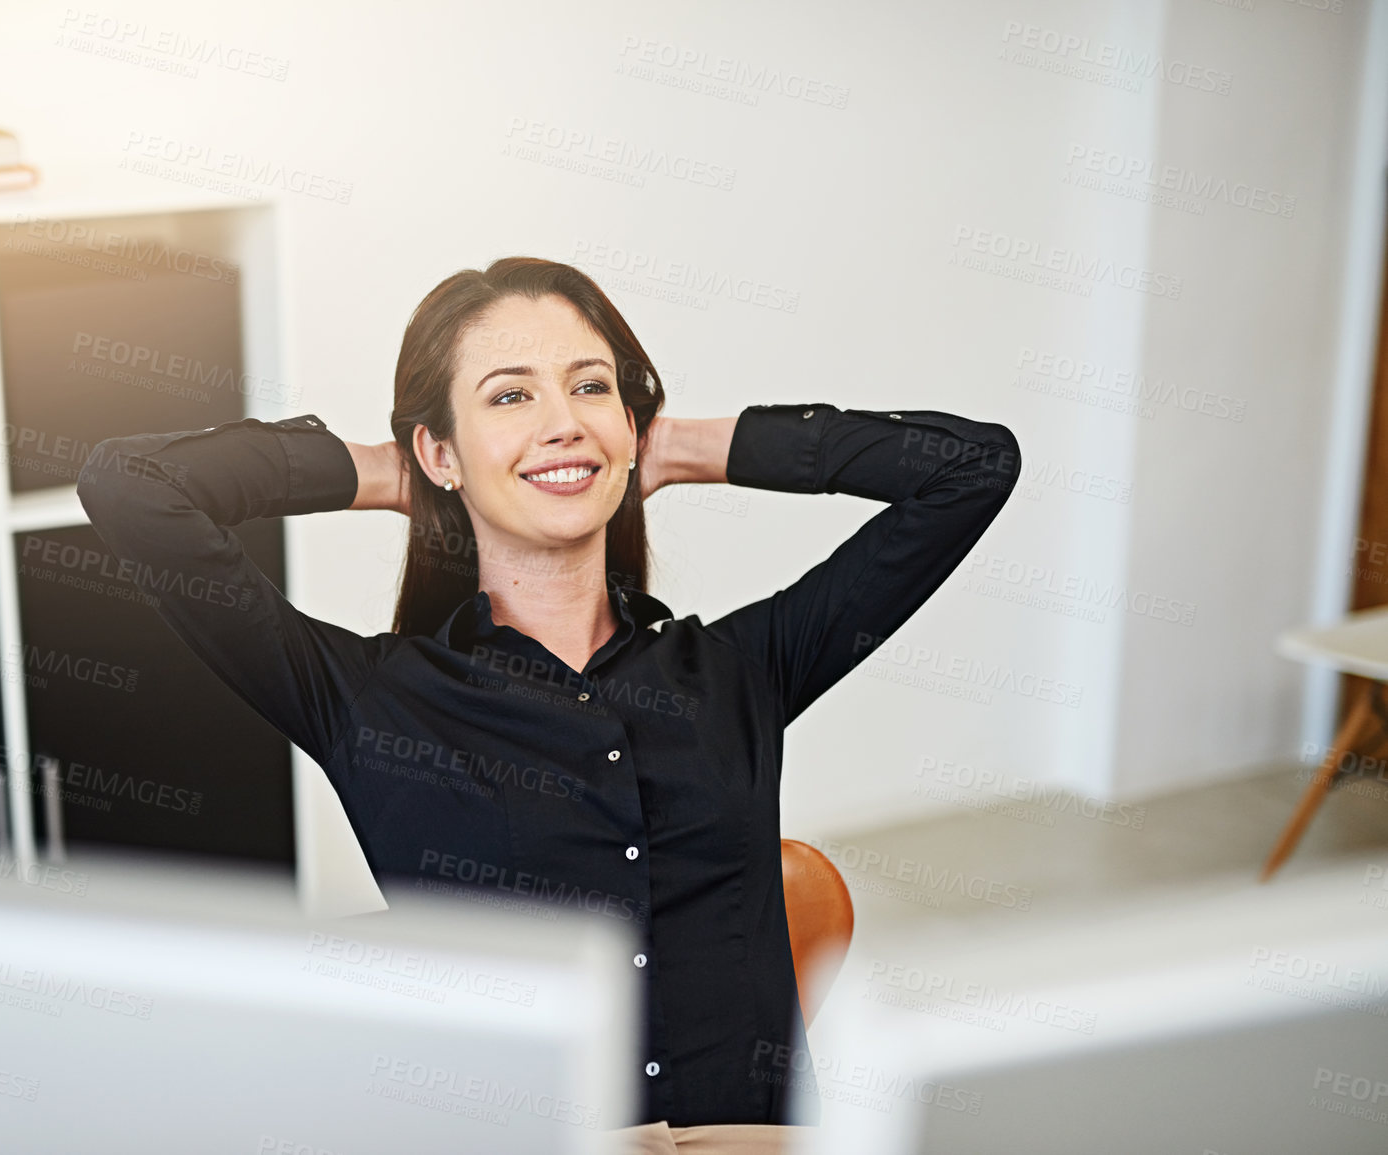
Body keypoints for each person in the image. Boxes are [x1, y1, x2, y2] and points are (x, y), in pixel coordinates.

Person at [77, 256, 1020, 1150]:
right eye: (510, 395)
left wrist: (679, 448)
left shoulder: (739, 669)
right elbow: (130, 485)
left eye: (590, 387)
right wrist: (386, 474)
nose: (563, 421)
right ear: (441, 449)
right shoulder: (366, 699)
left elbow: (970, 468)